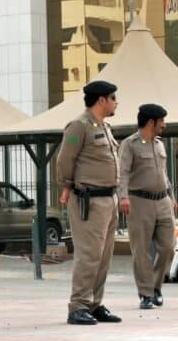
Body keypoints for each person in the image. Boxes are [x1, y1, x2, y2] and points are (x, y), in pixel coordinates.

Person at [56, 80, 121, 325]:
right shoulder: (78, 127)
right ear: (101, 100)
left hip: (109, 199)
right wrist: (66, 186)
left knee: (104, 256)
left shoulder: (105, 127)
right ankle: (78, 306)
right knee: (89, 255)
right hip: (89, 199)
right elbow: (65, 159)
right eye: (113, 98)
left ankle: (94, 304)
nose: (116, 103)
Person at [118, 103, 176, 309]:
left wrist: (172, 197)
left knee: (168, 248)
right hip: (139, 202)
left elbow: (164, 174)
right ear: (151, 122)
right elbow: (122, 172)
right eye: (162, 121)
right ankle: (146, 294)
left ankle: (156, 287)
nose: (164, 125)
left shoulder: (159, 144)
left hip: (163, 201)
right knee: (141, 250)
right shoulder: (130, 144)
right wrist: (123, 197)